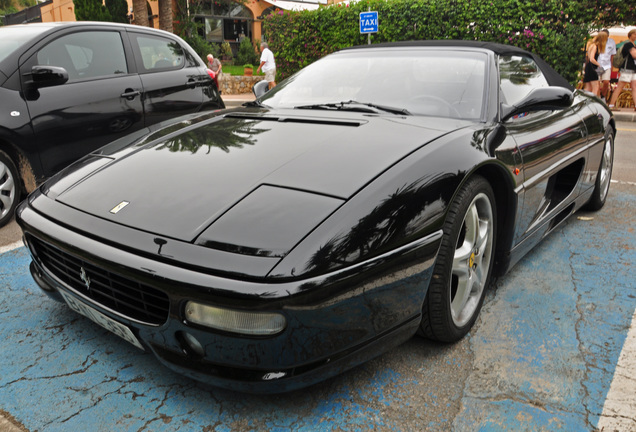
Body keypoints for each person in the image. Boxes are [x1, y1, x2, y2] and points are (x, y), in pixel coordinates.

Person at [608, 29, 636, 111]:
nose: (635, 35)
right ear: (630, 35)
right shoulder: (628, 44)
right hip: (626, 69)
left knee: (634, 87)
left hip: (633, 69)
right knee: (620, 87)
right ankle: (611, 105)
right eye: (634, 34)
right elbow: (634, 55)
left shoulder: (633, 45)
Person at [583, 32, 608, 96]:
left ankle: (584, 101)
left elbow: (589, 58)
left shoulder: (591, 45)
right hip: (593, 68)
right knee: (595, 87)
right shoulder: (595, 46)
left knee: (588, 87)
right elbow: (592, 58)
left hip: (588, 67)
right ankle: (592, 102)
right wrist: (599, 64)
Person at [597, 29, 616, 101]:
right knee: (597, 82)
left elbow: (612, 55)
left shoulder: (611, 42)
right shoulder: (598, 41)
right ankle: (598, 97)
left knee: (606, 82)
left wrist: (612, 66)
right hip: (599, 65)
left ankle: (603, 96)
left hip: (607, 65)